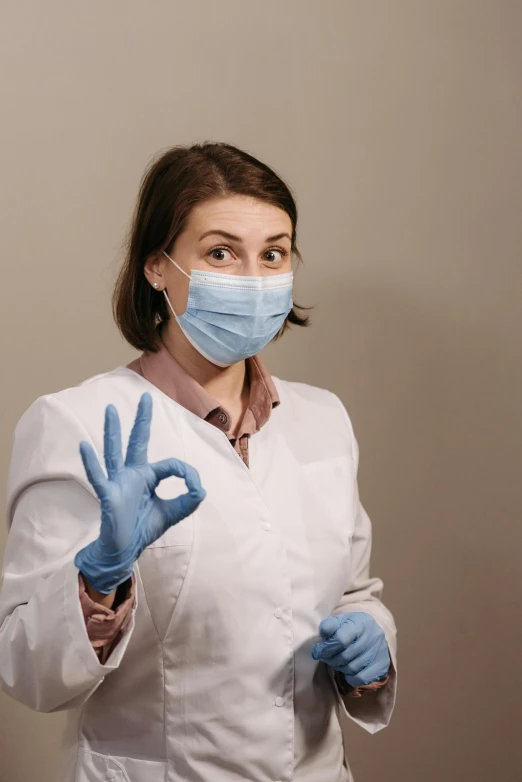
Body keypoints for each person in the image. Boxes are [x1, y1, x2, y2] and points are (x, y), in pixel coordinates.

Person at [0, 141, 397, 782]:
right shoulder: (75, 422)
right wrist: (99, 576)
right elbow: (25, 670)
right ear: (158, 267)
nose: (253, 276)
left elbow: (350, 590)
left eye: (272, 253)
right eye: (220, 253)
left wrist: (370, 641)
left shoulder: (323, 419)